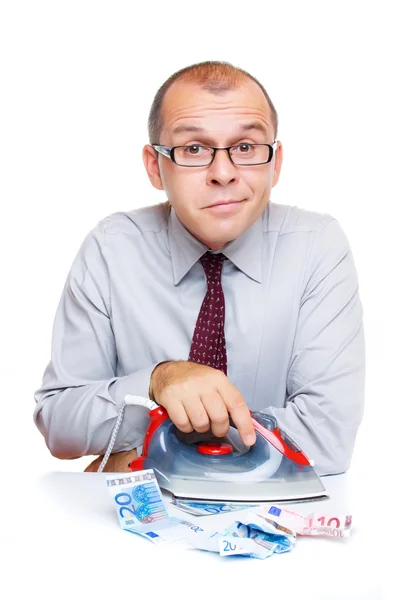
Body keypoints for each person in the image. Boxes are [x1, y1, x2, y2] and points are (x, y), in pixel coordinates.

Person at [33, 61, 365, 475]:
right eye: (194, 149)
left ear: (275, 163)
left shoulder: (317, 246)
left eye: (245, 148)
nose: (223, 173)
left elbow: (327, 439)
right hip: (134, 532)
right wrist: (158, 381)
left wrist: (147, 453)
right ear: (155, 166)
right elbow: (60, 425)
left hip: (275, 524)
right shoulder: (111, 249)